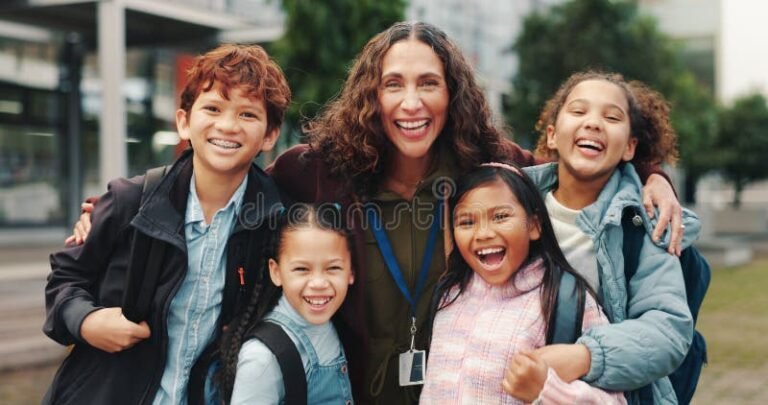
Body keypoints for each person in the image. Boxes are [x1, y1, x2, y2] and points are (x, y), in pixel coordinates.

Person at [66, 22, 684, 403]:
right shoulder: (315, 171)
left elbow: (577, 171)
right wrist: (119, 208)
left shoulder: (493, 168)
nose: (410, 103)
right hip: (351, 392)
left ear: (453, 93)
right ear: (371, 93)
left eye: (429, 83)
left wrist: (648, 177)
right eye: (393, 84)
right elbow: (231, 179)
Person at [42, 44, 290, 405]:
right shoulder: (131, 200)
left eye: (248, 114)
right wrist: (87, 322)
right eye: (213, 108)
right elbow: (64, 281)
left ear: (270, 135)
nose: (227, 125)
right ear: (184, 121)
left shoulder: (275, 219)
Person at [512, 71, 699, 404]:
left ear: (629, 148)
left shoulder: (645, 226)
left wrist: (585, 357)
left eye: (611, 117)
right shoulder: (511, 203)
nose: (594, 123)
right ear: (552, 135)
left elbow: (668, 330)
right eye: (579, 111)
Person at [420, 163, 625, 404]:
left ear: (534, 225)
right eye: (466, 222)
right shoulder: (449, 294)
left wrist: (547, 391)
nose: (483, 233)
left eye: (500, 216)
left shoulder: (564, 299)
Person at [216, 203, 355, 404]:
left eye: (333, 268)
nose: (318, 283)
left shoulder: (339, 324)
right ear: (276, 272)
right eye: (301, 269)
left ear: (351, 271)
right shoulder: (262, 358)